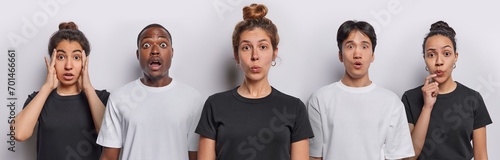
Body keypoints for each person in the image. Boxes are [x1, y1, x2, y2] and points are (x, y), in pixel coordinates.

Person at [196, 3, 314, 160]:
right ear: (236, 55)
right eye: (246, 48)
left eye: (263, 47)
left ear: (274, 53)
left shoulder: (294, 108)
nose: (255, 56)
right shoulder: (215, 105)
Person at [307, 20, 415, 159]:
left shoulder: (391, 102)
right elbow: (313, 156)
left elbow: (396, 156)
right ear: (340, 55)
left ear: (372, 55)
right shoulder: (319, 100)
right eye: (350, 46)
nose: (357, 54)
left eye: (364, 46)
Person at [97, 23, 202, 160]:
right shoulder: (119, 98)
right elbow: (108, 157)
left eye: (163, 45)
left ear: (172, 52)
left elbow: (195, 155)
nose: (155, 51)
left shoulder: (192, 99)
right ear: (138, 54)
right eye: (146, 45)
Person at [13, 22, 110, 160]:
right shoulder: (39, 98)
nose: (68, 66)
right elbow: (18, 133)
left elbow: (109, 137)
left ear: (85, 61)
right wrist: (46, 88)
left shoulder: (101, 98)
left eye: (76, 57)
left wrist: (88, 88)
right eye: (61, 57)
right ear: (52, 61)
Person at [402, 21, 492, 160]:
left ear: (455, 57)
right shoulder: (410, 98)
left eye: (446, 53)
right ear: (424, 58)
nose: (439, 61)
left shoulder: (473, 98)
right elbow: (409, 157)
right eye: (431, 55)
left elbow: (481, 156)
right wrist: (427, 107)